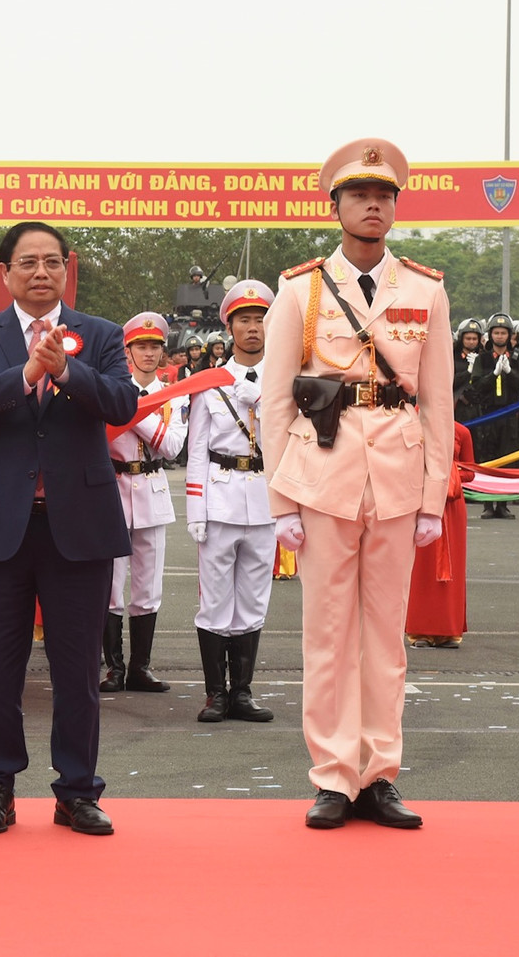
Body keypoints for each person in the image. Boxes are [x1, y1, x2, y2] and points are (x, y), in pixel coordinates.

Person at [259, 138, 450, 832]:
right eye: (360, 195)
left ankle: (380, 772)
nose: (374, 205)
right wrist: (282, 501)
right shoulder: (299, 288)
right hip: (323, 475)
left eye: (385, 195)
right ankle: (334, 774)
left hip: (397, 475)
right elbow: (276, 402)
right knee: (328, 634)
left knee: (385, 637)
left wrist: (434, 497)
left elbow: (438, 401)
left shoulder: (426, 288)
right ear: (335, 205)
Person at [0, 221, 139, 837]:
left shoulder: (102, 335)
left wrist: (70, 374)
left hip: (76, 525)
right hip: (0, 524)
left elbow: (121, 404)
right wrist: (27, 374)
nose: (39, 272)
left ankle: (78, 790)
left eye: (51, 262)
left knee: (76, 668)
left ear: (65, 270)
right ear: (4, 273)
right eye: (26, 262)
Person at [185, 280, 279, 723]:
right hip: (221, 497)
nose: (253, 328)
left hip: (265, 499)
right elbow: (198, 449)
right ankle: (215, 694)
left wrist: (261, 398)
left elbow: (294, 437)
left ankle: (242, 691)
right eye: (245, 320)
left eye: (260, 319)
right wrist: (196, 510)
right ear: (229, 327)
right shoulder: (209, 383)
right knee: (216, 600)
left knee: (254, 600)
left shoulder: (284, 378)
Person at [101, 312, 185, 695]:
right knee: (111, 585)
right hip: (114, 488)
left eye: (154, 347)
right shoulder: (109, 389)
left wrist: (131, 410)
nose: (148, 354)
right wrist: (126, 403)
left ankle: (141, 667)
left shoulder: (174, 395)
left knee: (148, 586)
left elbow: (170, 446)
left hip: (151, 487)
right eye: (141, 347)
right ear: (127, 351)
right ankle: (114, 668)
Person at [407, 422, 475, 648]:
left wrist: (449, 471)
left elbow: (470, 472)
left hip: (451, 505)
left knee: (452, 567)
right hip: (418, 500)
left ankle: (448, 631)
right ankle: (419, 630)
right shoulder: (408, 423)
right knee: (420, 568)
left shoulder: (461, 432)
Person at [474, 313, 519, 520]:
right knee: (488, 458)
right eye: (496, 332)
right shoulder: (483, 358)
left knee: (507, 458)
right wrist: (492, 374)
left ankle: (503, 504)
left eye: (504, 333)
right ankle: (487, 503)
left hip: (508, 415)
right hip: (487, 415)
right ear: (490, 335)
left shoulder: (515, 357)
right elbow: (476, 387)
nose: (500, 336)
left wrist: (510, 372)